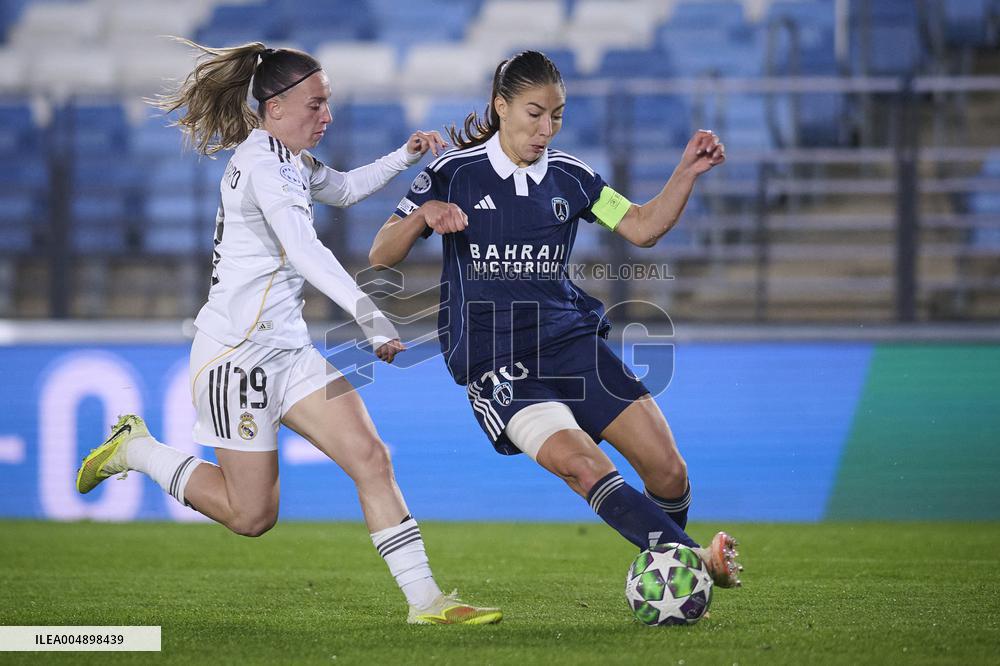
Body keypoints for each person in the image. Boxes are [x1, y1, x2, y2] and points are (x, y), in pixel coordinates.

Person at [75, 40, 501, 625]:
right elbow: (305, 250)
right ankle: (137, 449)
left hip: (290, 352)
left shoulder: (290, 159)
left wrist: (406, 154)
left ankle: (426, 603)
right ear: (275, 106)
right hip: (237, 356)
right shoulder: (262, 167)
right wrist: (371, 318)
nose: (326, 116)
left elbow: (346, 190)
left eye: (328, 104)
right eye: (316, 105)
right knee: (251, 517)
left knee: (371, 458)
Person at [369, 51, 742, 588]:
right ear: (501, 108)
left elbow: (640, 227)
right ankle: (695, 563)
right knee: (583, 465)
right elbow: (382, 251)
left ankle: (666, 571)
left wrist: (685, 173)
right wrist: (425, 215)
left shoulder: (572, 177)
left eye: (557, 116)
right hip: (494, 357)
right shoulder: (453, 173)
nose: (546, 129)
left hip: (569, 342)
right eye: (534, 113)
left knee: (668, 471)